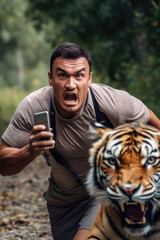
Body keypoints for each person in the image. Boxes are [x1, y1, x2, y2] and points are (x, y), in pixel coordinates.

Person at [0, 43, 160, 240]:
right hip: (64, 202)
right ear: (50, 78)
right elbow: (3, 165)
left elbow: (150, 120)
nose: (71, 84)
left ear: (89, 79)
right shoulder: (33, 107)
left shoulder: (112, 103)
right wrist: (30, 151)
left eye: (79, 75)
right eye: (62, 75)